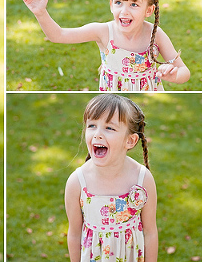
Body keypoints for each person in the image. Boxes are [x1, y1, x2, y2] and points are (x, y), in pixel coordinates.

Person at [22, 0, 190, 91]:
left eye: (134, 4)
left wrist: (174, 75)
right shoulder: (102, 31)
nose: (124, 11)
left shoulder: (155, 34)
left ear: (148, 10)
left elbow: (184, 71)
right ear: (111, 5)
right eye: (119, 3)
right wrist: (40, 12)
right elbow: (58, 35)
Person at [64, 94, 158, 261]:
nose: (97, 134)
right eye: (92, 125)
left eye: (109, 128)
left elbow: (150, 233)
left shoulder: (142, 178)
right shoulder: (77, 182)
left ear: (130, 140)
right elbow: (74, 234)